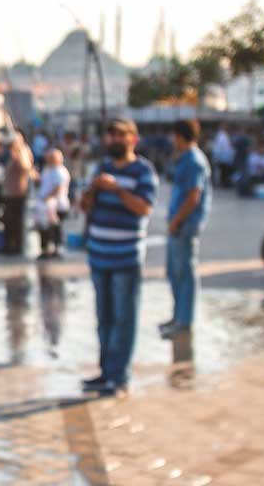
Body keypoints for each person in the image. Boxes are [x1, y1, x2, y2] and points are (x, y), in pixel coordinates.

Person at [80, 117, 158, 397]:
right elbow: (84, 206)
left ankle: (120, 377)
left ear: (133, 140)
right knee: (104, 318)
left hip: (125, 257)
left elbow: (144, 208)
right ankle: (105, 372)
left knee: (124, 319)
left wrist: (118, 190)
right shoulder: (102, 168)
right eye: (110, 136)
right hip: (99, 255)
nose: (114, 140)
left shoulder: (143, 171)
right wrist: (93, 189)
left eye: (120, 136)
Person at [162, 119, 211, 340]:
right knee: (175, 272)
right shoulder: (184, 159)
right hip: (179, 223)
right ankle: (178, 316)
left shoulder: (194, 161)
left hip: (185, 224)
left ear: (180, 136)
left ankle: (184, 321)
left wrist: (177, 220)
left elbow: (193, 196)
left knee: (185, 274)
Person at [0, 131, 35, 255]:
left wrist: (18, 154)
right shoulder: (12, 153)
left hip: (17, 192)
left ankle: (16, 245)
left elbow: (26, 168)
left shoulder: (22, 152)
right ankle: (9, 243)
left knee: (15, 220)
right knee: (9, 220)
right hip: (9, 191)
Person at [34, 148, 70, 259]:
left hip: (57, 205)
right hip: (46, 205)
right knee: (46, 228)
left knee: (55, 228)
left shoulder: (60, 171)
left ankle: (57, 249)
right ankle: (47, 249)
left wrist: (47, 198)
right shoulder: (48, 169)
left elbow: (59, 187)